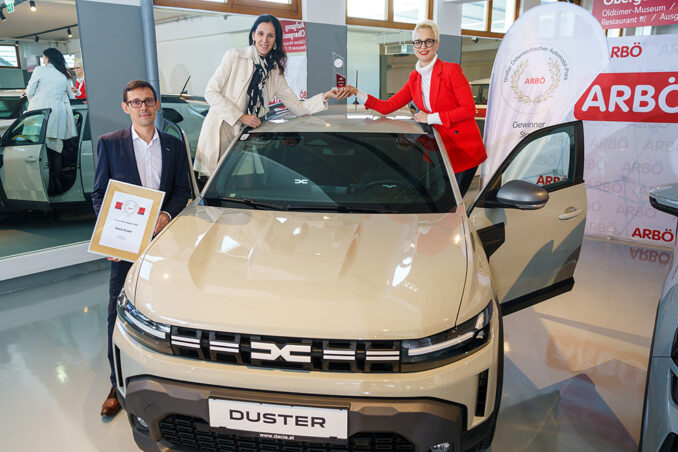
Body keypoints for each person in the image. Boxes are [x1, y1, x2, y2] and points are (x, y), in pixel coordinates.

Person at [91, 80, 190, 417]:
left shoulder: (174, 145)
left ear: (157, 104)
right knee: (116, 311)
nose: (143, 107)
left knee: (167, 307)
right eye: (136, 102)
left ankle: (170, 379)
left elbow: (182, 190)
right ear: (126, 107)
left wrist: (165, 215)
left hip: (165, 240)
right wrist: (109, 235)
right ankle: (116, 384)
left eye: (148, 101)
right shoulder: (110, 144)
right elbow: (100, 193)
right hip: (126, 242)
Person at [195, 14, 351, 178]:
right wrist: (241, 116)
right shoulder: (234, 56)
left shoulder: (275, 71)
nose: (265, 40)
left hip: (244, 140)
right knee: (213, 185)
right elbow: (211, 92)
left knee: (241, 184)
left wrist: (325, 95)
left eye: (270, 35)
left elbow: (298, 108)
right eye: (261, 34)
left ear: (276, 40)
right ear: (253, 35)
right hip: (220, 133)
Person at [345, 20, 486, 196]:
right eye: (418, 42)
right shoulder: (414, 78)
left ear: (436, 44)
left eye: (428, 41)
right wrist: (357, 92)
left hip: (463, 149)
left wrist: (431, 118)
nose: (423, 47)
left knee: (452, 203)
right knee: (439, 202)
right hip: (438, 150)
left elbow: (468, 109)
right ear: (413, 46)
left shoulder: (451, 70)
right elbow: (388, 106)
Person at [26, 48, 78, 194]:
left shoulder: (39, 70)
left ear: (48, 58)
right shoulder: (65, 74)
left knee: (40, 150)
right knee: (56, 150)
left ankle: (45, 184)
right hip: (58, 117)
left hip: (40, 116)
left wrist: (35, 103)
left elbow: (29, 91)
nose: (43, 60)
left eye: (43, 58)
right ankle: (56, 181)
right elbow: (71, 97)